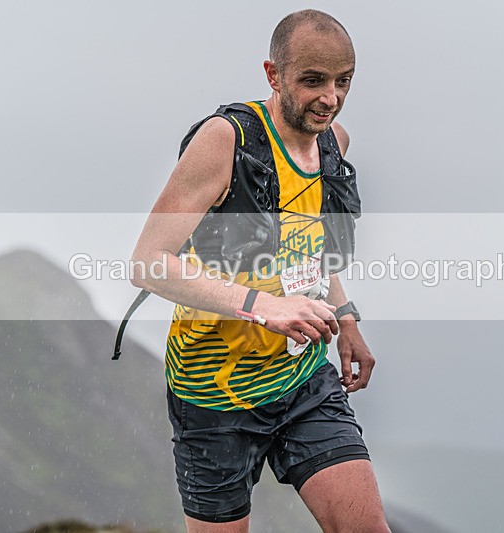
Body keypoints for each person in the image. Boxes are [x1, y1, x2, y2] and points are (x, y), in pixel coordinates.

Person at [130, 9, 390, 533]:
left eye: (344, 82)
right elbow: (148, 263)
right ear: (273, 75)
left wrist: (346, 317)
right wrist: (264, 307)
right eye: (313, 81)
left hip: (303, 379)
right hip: (213, 391)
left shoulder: (333, 142)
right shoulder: (227, 139)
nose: (330, 98)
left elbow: (310, 245)